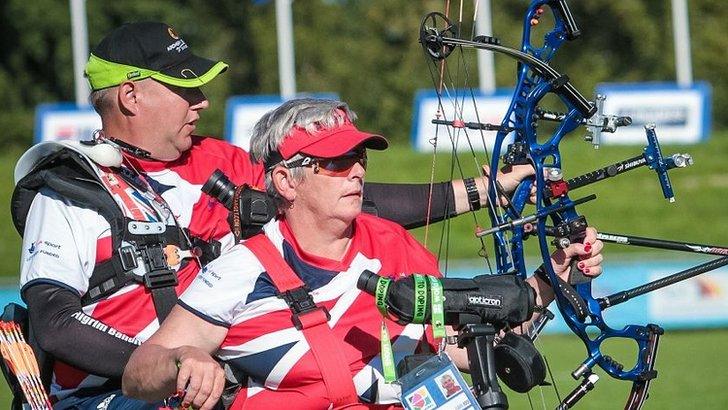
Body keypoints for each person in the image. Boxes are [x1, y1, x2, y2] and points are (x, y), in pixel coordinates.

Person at [9, 22, 542, 409]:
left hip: (219, 375)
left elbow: (327, 195)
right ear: (130, 96)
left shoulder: (213, 161)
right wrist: (170, 362)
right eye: (184, 88)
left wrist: (486, 189)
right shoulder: (68, 193)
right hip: (118, 395)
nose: (200, 101)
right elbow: (54, 323)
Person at [122, 99, 603, 409]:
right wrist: (183, 359)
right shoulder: (242, 270)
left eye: (360, 159)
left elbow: (464, 345)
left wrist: (556, 278)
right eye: (334, 162)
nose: (356, 172)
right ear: (287, 180)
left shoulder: (392, 245)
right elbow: (138, 373)